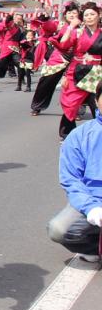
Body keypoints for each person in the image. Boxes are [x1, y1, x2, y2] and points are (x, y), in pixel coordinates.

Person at [47, 81, 102, 262]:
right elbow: (71, 180)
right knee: (59, 229)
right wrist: (91, 208)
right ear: (97, 100)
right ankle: (95, 248)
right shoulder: (80, 136)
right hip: (94, 200)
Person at [53, 1, 102, 139]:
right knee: (70, 104)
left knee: (97, 104)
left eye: (92, 14)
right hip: (77, 71)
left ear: (99, 16)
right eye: (86, 15)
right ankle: (67, 134)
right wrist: (71, 27)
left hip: (97, 72)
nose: (89, 17)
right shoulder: (77, 32)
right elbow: (63, 44)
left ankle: (98, 134)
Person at [31, 9, 72, 116]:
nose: (72, 15)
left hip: (78, 60)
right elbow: (50, 28)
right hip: (59, 57)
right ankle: (37, 106)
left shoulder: (85, 29)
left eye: (75, 13)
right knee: (46, 81)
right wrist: (45, 19)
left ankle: (76, 110)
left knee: (78, 86)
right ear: (65, 15)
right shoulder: (62, 27)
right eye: (69, 13)